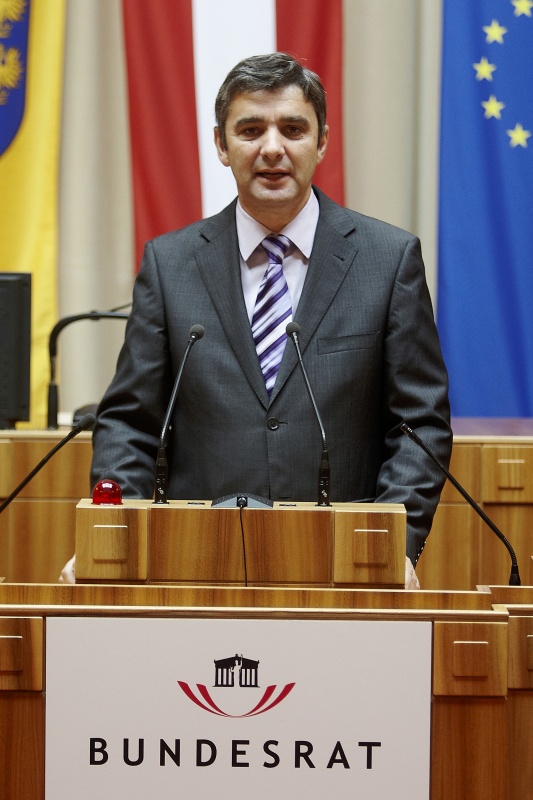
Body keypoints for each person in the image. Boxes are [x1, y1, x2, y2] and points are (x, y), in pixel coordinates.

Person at [61, 53, 452, 587]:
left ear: (323, 142)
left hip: (344, 567)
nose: (272, 148)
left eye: (293, 128)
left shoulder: (387, 260)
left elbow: (419, 424)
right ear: (222, 145)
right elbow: (130, 422)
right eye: (250, 130)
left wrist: (392, 548)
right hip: (192, 563)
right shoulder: (170, 264)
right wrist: (115, 537)